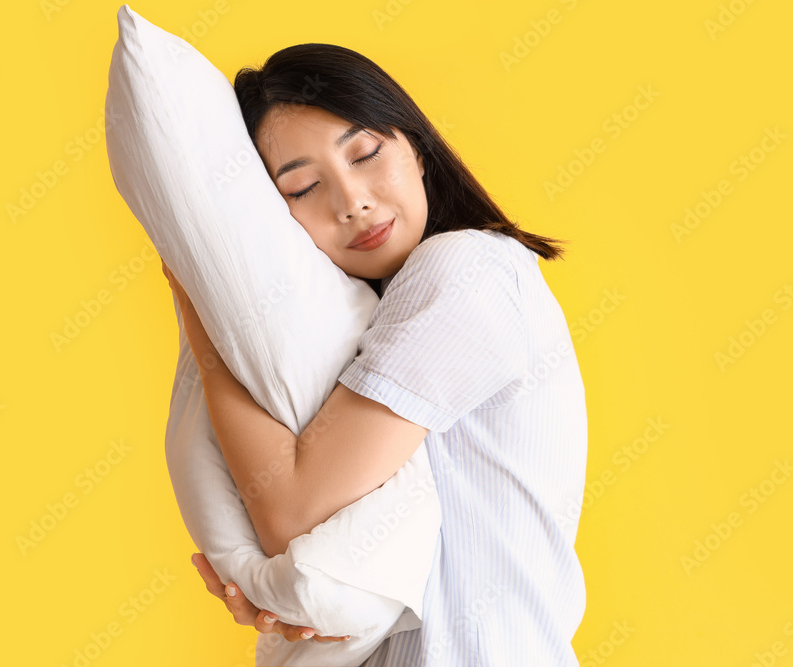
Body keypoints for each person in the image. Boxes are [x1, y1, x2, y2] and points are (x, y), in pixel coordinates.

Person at [165, 42, 589, 666]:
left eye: (365, 154)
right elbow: (304, 540)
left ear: (415, 147)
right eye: (303, 188)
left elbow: (292, 510)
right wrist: (267, 592)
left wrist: (196, 300)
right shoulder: (341, 337)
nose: (352, 201)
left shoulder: (465, 269)